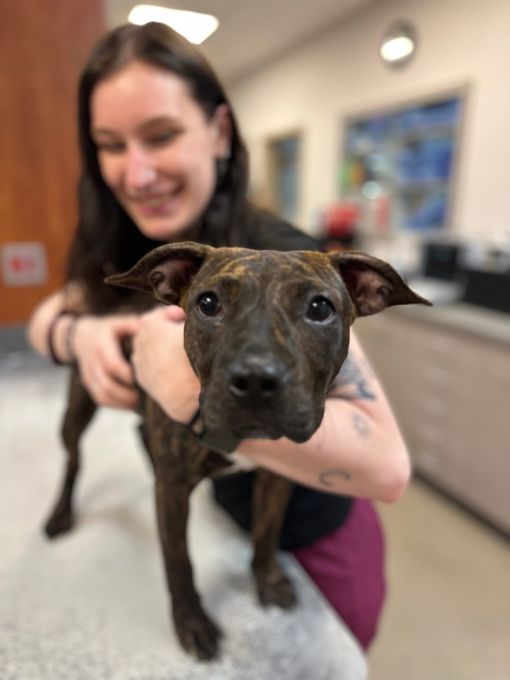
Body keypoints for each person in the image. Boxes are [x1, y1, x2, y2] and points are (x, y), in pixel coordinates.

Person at [28, 22, 411, 650]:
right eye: (111, 144)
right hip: (215, 502)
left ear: (219, 132)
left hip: (312, 527)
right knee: (90, 435)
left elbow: (390, 470)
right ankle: (72, 481)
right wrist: (79, 338)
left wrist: (185, 393)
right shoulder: (127, 237)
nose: (139, 171)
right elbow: (56, 309)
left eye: (162, 134)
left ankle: (264, 566)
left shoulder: (296, 259)